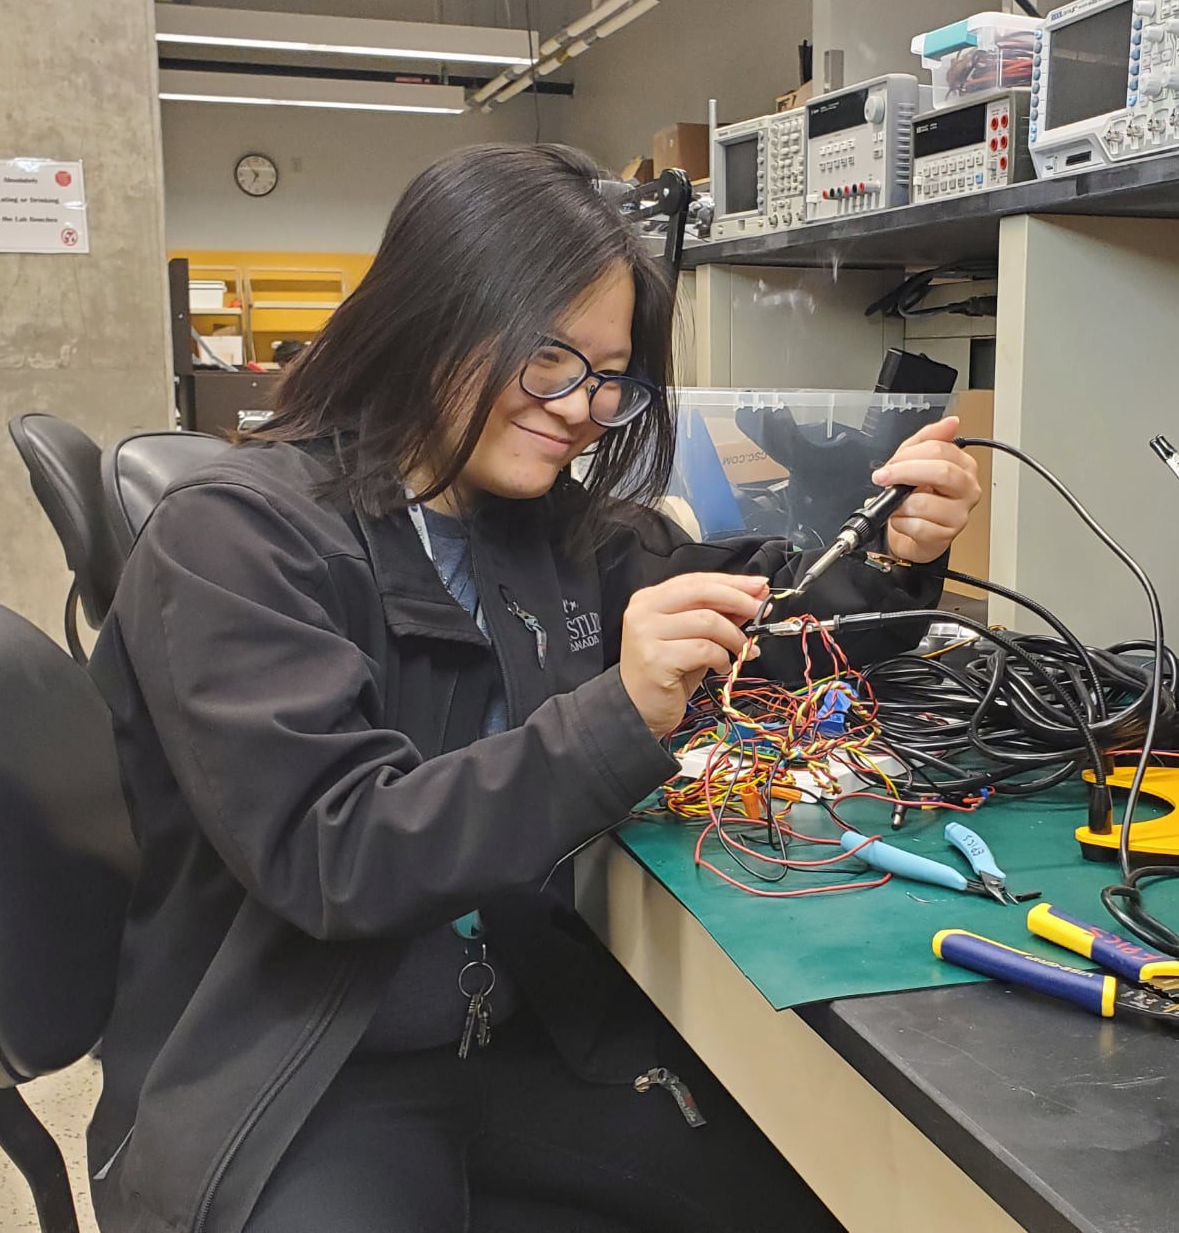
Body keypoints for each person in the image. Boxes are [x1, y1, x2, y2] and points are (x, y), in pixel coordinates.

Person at [86, 142, 981, 1233]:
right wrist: (618, 714)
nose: (581, 407)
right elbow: (337, 854)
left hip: (516, 1023)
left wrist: (890, 557)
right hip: (301, 1070)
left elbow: (760, 616)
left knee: (826, 1193)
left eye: (610, 378)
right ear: (430, 312)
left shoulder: (547, 528)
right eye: (549, 359)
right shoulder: (234, 540)